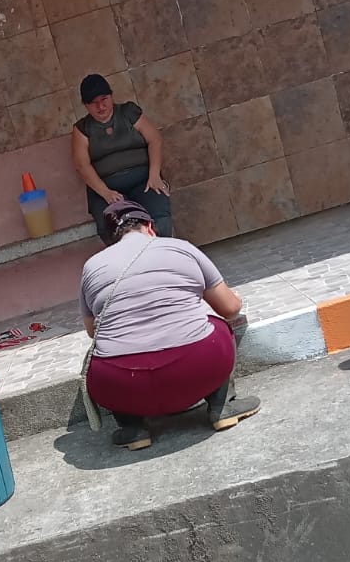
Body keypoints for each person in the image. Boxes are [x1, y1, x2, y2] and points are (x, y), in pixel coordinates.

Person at [79, 199, 259, 450]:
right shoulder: (181, 248)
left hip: (122, 383)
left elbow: (93, 332)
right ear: (150, 227)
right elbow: (230, 308)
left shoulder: (92, 266)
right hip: (196, 367)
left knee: (104, 352)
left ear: (110, 240)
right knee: (216, 325)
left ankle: (133, 429)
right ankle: (222, 407)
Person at [72, 73, 172, 244]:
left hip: (144, 180)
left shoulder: (128, 112)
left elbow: (154, 139)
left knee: (159, 214)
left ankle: (162, 254)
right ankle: (131, 260)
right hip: (106, 188)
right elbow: (82, 165)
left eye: (104, 99)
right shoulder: (82, 129)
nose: (101, 107)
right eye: (93, 103)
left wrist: (154, 175)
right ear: (85, 105)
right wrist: (106, 192)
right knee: (112, 226)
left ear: (111, 96)